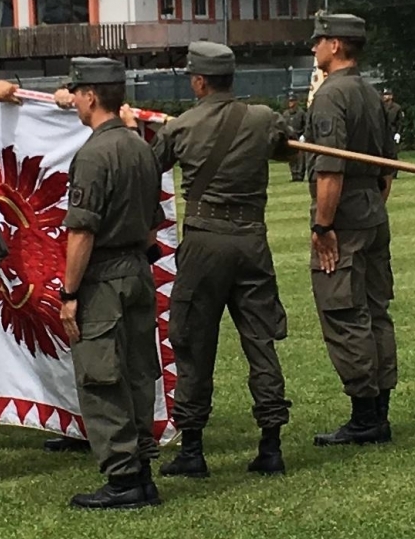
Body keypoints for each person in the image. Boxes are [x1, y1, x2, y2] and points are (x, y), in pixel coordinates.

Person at [144, 42, 294, 478]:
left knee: (193, 341)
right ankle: (271, 444)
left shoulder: (181, 127)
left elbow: (147, 170)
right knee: (261, 341)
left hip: (205, 241)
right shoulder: (264, 119)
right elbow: (288, 151)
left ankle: (192, 449)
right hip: (251, 239)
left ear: (198, 82)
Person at [60, 57, 166, 509]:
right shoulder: (140, 147)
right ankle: (141, 470)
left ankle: (123, 477)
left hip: (103, 277)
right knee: (138, 371)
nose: (75, 101)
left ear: (90, 96)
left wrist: (69, 293)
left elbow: (82, 232)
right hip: (138, 271)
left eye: (77, 93)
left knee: (102, 377)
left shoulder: (93, 154)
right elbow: (153, 223)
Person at [305, 13, 399, 447]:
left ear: (336, 45)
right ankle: (380, 411)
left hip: (343, 215)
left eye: (319, 40)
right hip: (373, 210)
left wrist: (323, 225)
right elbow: (387, 168)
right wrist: (372, 207)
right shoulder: (370, 92)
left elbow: (330, 169)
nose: (314, 48)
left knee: (344, 312)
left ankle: (365, 416)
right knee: (376, 311)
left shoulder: (331, 95)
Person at [283, 94, 307, 182]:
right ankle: (294, 175)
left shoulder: (301, 113)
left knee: (300, 158)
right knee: (292, 158)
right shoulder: (285, 114)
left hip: (299, 137)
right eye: (290, 101)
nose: (291, 103)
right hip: (290, 138)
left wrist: (304, 135)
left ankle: (300, 175)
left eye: (292, 101)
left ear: (296, 102)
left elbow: (306, 125)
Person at [382, 89, 404, 178]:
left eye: (387, 94)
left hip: (392, 132)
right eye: (384, 95)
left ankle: (394, 173)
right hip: (383, 131)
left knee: (393, 153)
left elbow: (400, 122)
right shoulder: (381, 106)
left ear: (391, 96)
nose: (384, 96)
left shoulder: (396, 108)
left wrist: (398, 133)